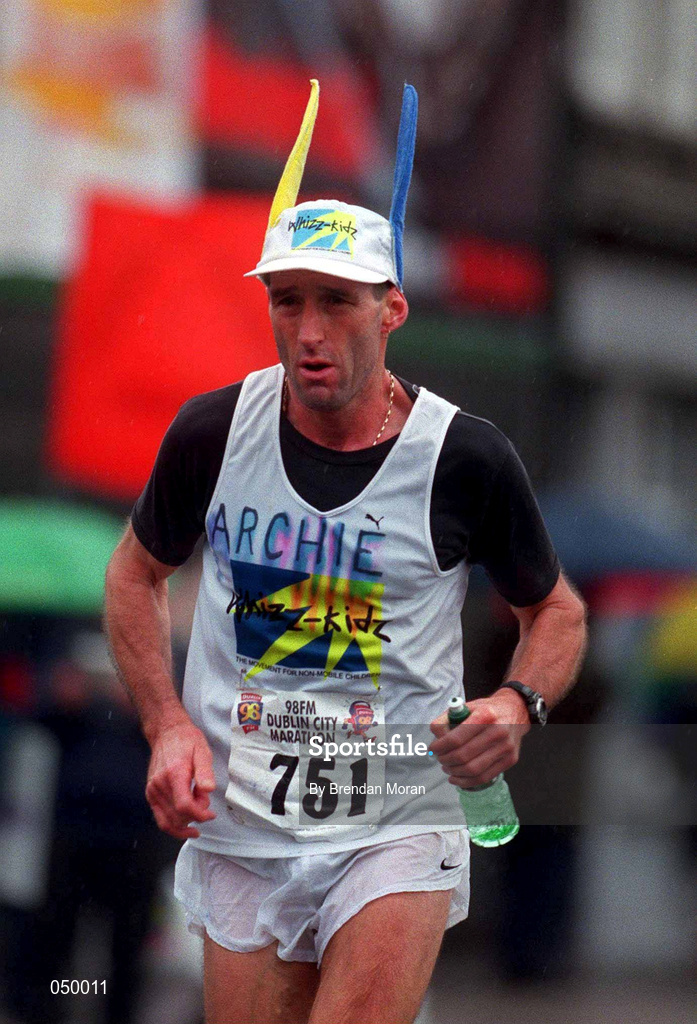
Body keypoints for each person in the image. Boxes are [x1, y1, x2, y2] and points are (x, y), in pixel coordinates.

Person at [104, 82, 586, 1024]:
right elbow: (133, 574)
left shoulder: (464, 456)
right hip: (242, 823)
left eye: (336, 302)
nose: (308, 332)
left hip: (396, 820)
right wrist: (166, 723)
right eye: (287, 303)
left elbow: (555, 611)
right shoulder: (212, 432)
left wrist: (514, 704)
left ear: (391, 309)